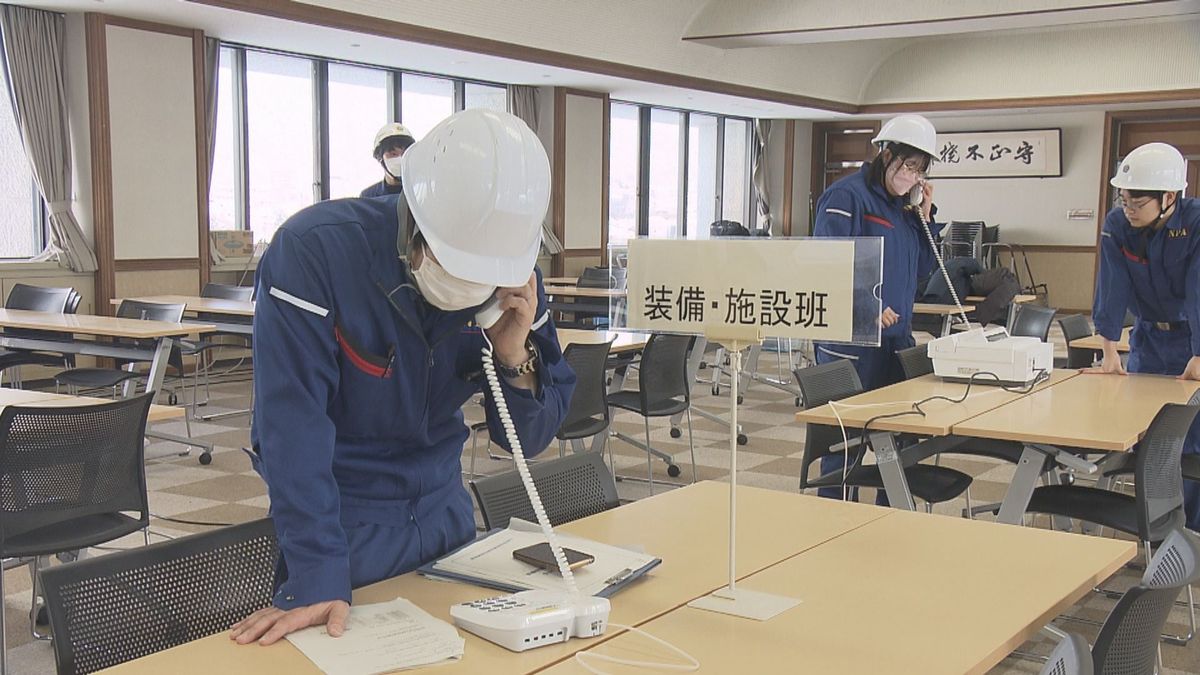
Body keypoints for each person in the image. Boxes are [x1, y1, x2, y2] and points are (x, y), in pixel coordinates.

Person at [232, 109, 576, 645]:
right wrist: (320, 574)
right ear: (412, 217)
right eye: (454, 265)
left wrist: (512, 356)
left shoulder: (514, 276)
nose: (470, 286)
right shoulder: (314, 253)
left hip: (448, 521)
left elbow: (526, 439)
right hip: (341, 528)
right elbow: (290, 431)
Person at [810, 113, 943, 500]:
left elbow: (923, 269)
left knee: (898, 438)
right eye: (908, 167)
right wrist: (865, 303)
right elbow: (828, 261)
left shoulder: (904, 207)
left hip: (894, 339)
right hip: (852, 339)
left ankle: (888, 516)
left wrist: (925, 216)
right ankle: (833, 518)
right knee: (843, 442)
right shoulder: (847, 195)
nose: (912, 177)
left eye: (919, 171)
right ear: (886, 155)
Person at [1089, 141, 1200, 531]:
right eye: (1124, 201)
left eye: (1137, 204)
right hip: (1149, 338)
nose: (1128, 210)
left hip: (1191, 338)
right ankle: (1156, 525)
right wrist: (1108, 346)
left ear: (1168, 197)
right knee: (1150, 435)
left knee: (1191, 439)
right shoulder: (1118, 224)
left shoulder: (1196, 222)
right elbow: (1112, 284)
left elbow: (1199, 288)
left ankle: (1189, 532)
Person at [359, 122, 416, 198]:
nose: (400, 159)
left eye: (404, 154)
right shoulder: (369, 196)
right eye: (393, 154)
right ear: (380, 157)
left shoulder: (420, 192)